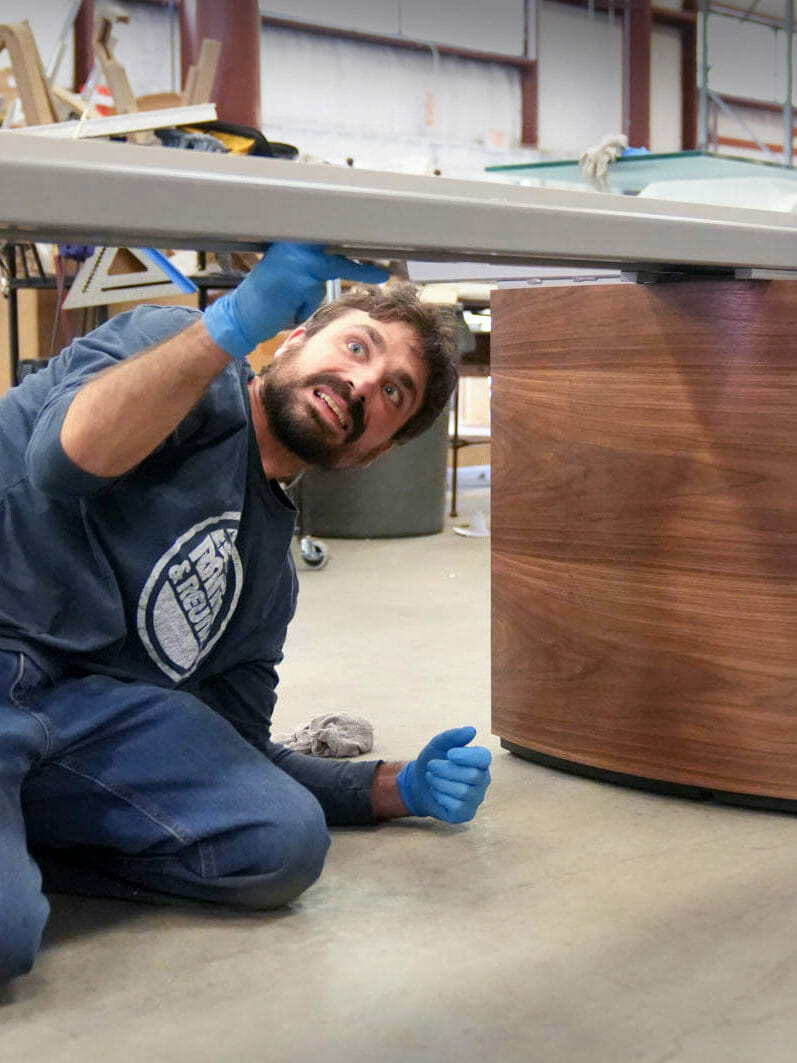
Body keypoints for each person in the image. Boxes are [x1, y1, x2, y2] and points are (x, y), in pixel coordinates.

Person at [0, 243, 492, 984]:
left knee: (279, 842)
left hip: (75, 721)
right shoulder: (175, 355)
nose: (362, 381)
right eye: (355, 346)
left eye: (394, 393)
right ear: (291, 341)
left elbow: (231, 747)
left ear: (371, 454)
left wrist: (389, 789)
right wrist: (224, 326)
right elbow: (65, 462)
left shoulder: (265, 579)